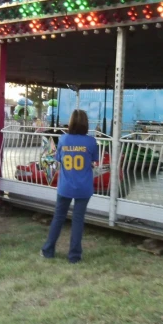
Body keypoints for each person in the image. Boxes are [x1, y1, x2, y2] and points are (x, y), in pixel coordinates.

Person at [41, 109, 99, 264]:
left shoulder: (63, 139)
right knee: (78, 220)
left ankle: (48, 250)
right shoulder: (91, 141)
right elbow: (93, 161)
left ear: (71, 122)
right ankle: (74, 256)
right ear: (86, 123)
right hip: (84, 186)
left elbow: (59, 159)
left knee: (58, 218)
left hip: (65, 186)